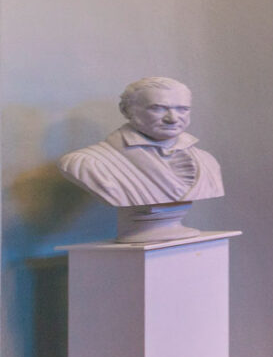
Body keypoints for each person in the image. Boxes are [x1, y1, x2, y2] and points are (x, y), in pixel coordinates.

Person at [60, 77, 224, 239]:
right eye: (157, 108)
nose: (172, 118)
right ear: (126, 110)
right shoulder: (87, 163)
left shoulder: (206, 161)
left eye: (183, 109)